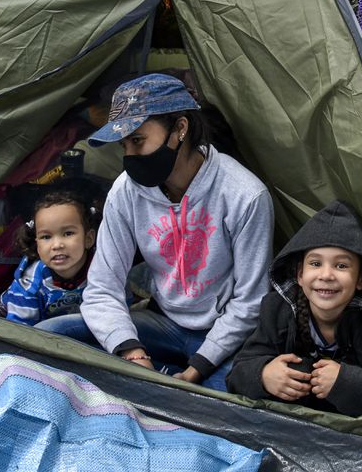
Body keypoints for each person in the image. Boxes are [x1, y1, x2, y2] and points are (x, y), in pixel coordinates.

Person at [79, 73, 273, 392]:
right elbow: (102, 287)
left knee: (224, 402)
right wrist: (131, 351)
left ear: (180, 129)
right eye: (124, 145)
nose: (130, 156)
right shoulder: (126, 191)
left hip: (225, 337)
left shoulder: (245, 195)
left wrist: (198, 367)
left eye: (138, 140)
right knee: (55, 334)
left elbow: (251, 300)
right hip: (162, 323)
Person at [226, 200, 362, 416]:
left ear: (361, 279)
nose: (326, 275)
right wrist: (264, 375)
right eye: (315, 264)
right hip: (283, 426)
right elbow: (236, 375)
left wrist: (344, 383)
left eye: (341, 265)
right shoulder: (277, 311)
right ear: (300, 274)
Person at [0, 179, 103, 327]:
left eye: (68, 233)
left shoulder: (103, 269)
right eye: (46, 237)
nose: (57, 245)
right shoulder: (29, 283)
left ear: (88, 239)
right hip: (20, 319)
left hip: (79, 326)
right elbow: (21, 330)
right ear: (37, 244)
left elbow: (117, 306)